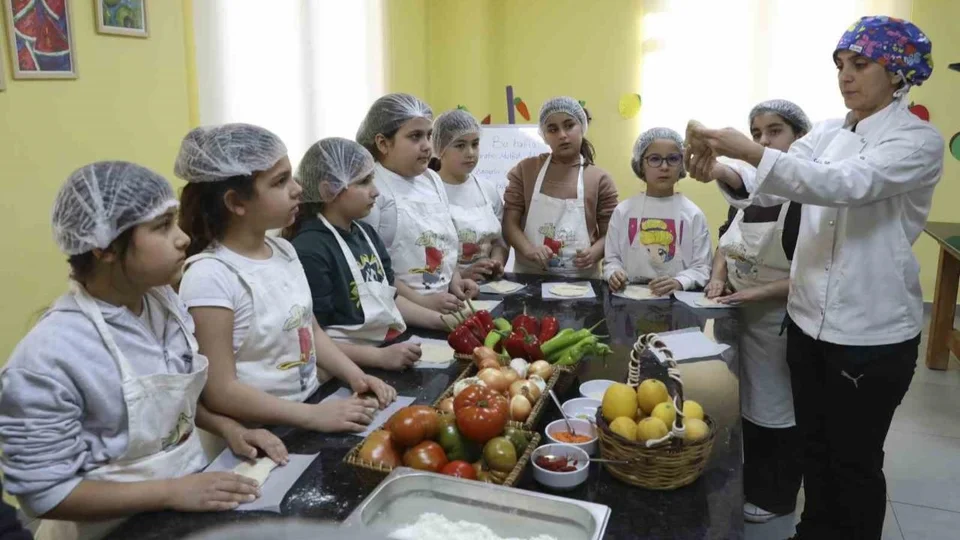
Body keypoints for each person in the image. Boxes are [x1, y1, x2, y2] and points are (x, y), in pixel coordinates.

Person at [686, 16, 942, 539]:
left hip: (870, 336)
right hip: (807, 326)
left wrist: (749, 148)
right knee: (816, 449)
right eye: (840, 65)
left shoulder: (918, 141)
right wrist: (720, 168)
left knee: (854, 463)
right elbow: (771, 182)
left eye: (860, 64)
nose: (845, 76)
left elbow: (844, 183)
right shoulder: (826, 131)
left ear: (897, 72)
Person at [0, 162, 287, 540]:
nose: (183, 238)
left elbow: (171, 405)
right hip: (106, 531)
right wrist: (171, 492)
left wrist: (228, 428)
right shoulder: (48, 357)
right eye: (161, 226)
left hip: (182, 513)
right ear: (103, 248)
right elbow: (47, 494)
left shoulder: (163, 303)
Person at [176, 124, 396, 434]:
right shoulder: (209, 276)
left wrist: (356, 376)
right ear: (236, 203)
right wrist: (311, 417)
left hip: (309, 409)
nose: (296, 189)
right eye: (280, 181)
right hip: (261, 434)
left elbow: (312, 332)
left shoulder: (283, 250)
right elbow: (220, 391)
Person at [704, 99, 811, 523]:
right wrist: (717, 276)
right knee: (749, 405)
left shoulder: (807, 200)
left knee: (778, 411)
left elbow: (813, 274)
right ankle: (754, 480)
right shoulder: (750, 194)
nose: (764, 141)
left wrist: (757, 293)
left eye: (775, 131)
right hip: (743, 316)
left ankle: (778, 496)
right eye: (757, 134)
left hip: (778, 320)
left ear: (799, 139)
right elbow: (727, 240)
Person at [285, 137, 452, 370]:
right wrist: (379, 358)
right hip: (341, 367)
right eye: (363, 182)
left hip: (384, 348)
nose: (375, 191)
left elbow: (388, 298)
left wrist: (442, 321)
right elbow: (315, 337)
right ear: (328, 190)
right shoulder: (310, 250)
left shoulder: (365, 234)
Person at [357, 94, 479, 313]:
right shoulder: (373, 190)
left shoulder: (432, 180)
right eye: (415, 137)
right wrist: (423, 303)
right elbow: (375, 272)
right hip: (402, 312)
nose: (426, 146)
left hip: (444, 304)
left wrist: (455, 280)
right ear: (383, 143)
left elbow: (443, 242)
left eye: (429, 135)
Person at [502, 97, 619, 278]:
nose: (562, 135)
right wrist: (529, 250)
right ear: (544, 135)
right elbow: (509, 224)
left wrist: (595, 252)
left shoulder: (599, 179)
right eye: (553, 129)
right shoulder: (526, 171)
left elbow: (610, 234)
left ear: (582, 127)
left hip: (583, 282)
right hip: (529, 277)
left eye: (569, 125)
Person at [604, 127, 711, 296]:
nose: (664, 167)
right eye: (654, 159)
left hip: (678, 301)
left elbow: (701, 267)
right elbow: (611, 260)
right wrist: (614, 273)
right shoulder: (623, 212)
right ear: (641, 165)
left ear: (682, 165)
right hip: (629, 297)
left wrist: (679, 282)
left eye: (673, 159)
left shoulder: (693, 215)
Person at [430, 109, 508, 282]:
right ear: (440, 148)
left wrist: (495, 263)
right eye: (460, 145)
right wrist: (460, 275)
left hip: (488, 285)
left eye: (475, 144)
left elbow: (499, 242)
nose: (470, 152)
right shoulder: (429, 192)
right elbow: (425, 250)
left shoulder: (487, 190)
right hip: (446, 289)